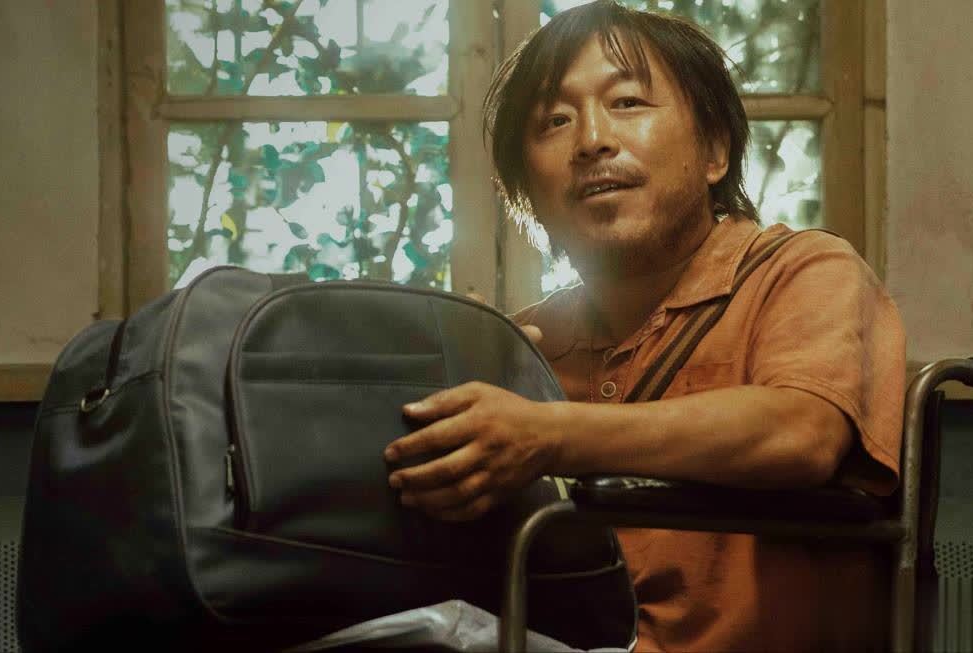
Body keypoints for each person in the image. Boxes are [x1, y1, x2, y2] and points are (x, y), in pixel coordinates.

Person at [382, 1, 906, 650]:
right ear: (524, 194)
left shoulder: (803, 271)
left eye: (627, 102)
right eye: (554, 120)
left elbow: (803, 432)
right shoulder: (519, 344)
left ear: (715, 150)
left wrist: (546, 433)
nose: (592, 140)